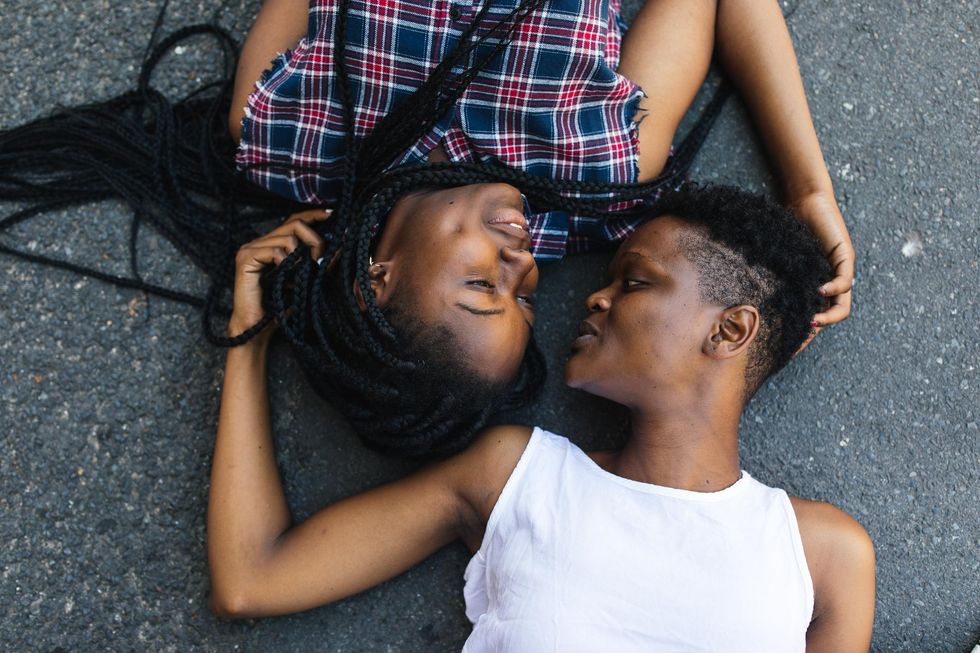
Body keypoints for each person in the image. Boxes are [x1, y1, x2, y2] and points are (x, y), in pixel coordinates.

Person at [0, 0, 855, 457]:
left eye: (483, 283)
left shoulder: (285, 131)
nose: (524, 263)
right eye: (526, 296)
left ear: (373, 281)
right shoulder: (597, 168)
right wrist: (808, 187)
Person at [207, 183, 875, 651]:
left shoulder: (825, 555)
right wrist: (249, 338)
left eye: (635, 282)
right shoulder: (516, 477)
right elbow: (251, 577)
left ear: (730, 330)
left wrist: (811, 192)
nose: (594, 298)